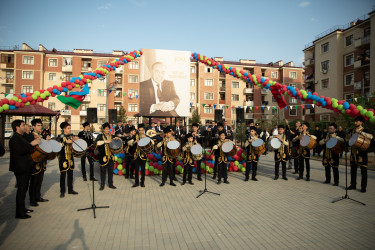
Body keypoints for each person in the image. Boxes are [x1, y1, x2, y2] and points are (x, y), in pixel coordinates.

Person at [9, 120, 40, 219]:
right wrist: (32, 144)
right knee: (21, 190)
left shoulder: (21, 137)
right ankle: (19, 213)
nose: (25, 126)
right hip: (20, 167)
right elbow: (20, 151)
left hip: (25, 167)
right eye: (23, 125)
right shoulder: (15, 138)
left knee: (24, 189)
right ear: (17, 127)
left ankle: (22, 209)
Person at [25, 119, 50, 207]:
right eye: (38, 125)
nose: (40, 127)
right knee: (33, 181)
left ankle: (38, 196)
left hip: (42, 161)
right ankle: (32, 199)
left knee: (40, 180)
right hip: (34, 161)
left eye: (41, 125)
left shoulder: (41, 134)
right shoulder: (31, 135)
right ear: (34, 127)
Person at [347, 116, 373, 193]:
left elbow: (371, 136)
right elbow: (348, 139)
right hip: (353, 153)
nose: (355, 123)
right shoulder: (352, 130)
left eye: (357, 121)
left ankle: (363, 187)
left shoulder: (365, 130)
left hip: (362, 153)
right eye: (355, 121)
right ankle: (353, 184)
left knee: (363, 171)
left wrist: (360, 132)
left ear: (361, 122)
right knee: (353, 170)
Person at [57, 122, 79, 197]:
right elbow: (57, 146)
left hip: (70, 158)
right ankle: (62, 191)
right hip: (63, 158)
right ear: (64, 129)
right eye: (68, 128)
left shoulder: (71, 136)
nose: (70, 130)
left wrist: (76, 140)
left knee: (70, 174)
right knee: (63, 175)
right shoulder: (59, 137)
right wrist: (65, 142)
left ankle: (70, 189)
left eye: (70, 128)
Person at [95, 122, 118, 190]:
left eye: (108, 129)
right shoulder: (100, 136)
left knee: (111, 171)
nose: (107, 130)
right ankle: (102, 185)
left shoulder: (112, 136)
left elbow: (117, 143)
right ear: (103, 130)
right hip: (103, 157)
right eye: (106, 129)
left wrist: (116, 138)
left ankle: (110, 184)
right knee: (103, 171)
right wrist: (105, 141)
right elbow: (97, 143)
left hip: (111, 157)